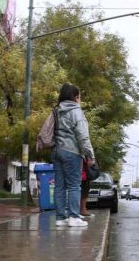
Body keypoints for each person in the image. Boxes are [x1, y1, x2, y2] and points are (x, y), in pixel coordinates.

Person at [52, 83, 96, 227]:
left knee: (59, 186)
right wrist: (90, 155)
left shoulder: (56, 110)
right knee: (74, 185)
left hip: (56, 151)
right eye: (79, 97)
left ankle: (60, 218)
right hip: (71, 152)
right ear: (75, 97)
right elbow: (83, 136)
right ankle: (74, 217)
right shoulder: (76, 111)